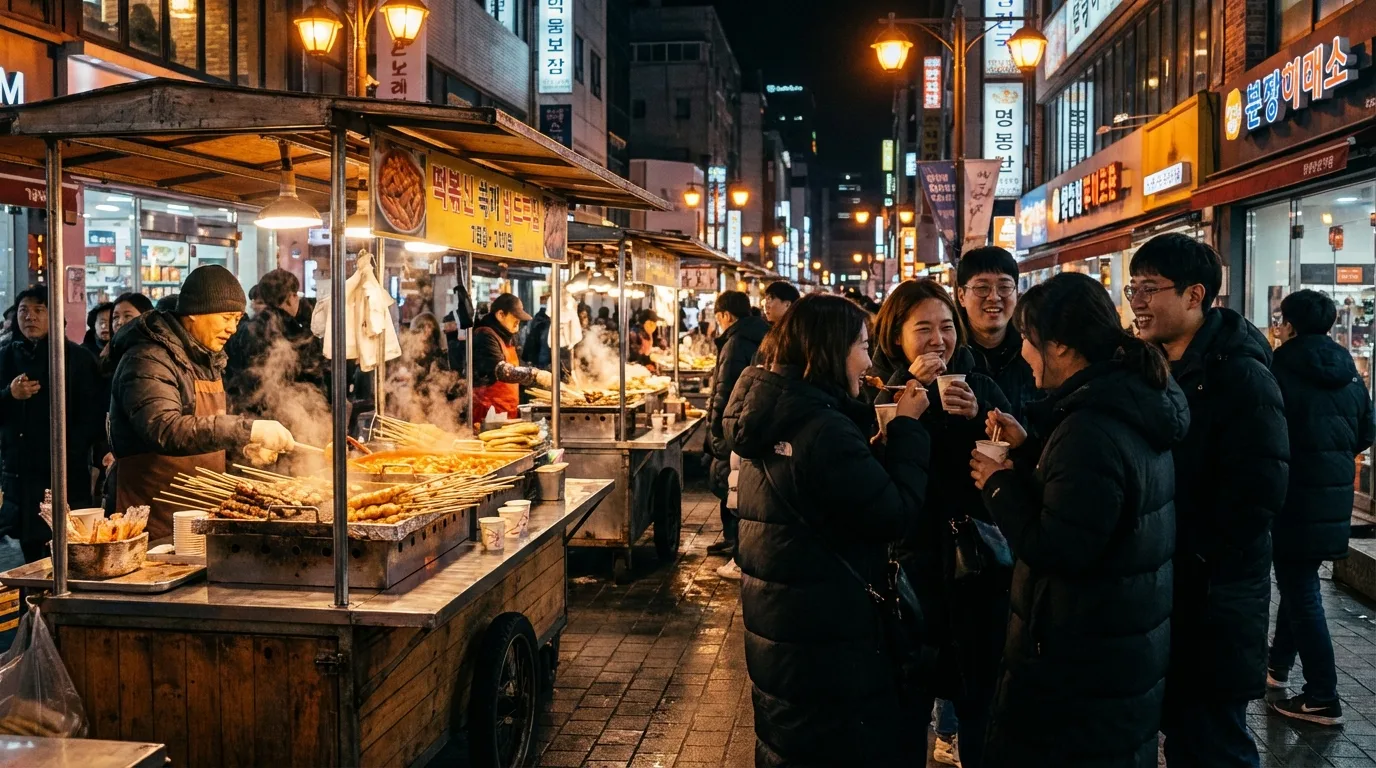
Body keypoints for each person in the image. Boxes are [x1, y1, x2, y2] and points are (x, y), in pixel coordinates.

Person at [970, 272, 1187, 765]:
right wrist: (1029, 451)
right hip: (1118, 645)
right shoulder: (1133, 400)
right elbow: (1087, 503)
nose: (1024, 354)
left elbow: (1058, 546)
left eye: (1029, 340)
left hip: (1078, 661)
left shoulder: (1089, 427)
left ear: (1061, 345)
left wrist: (998, 483)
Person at [724, 293, 931, 767]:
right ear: (828, 350)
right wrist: (906, 431)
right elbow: (894, 515)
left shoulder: (773, 412)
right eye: (861, 345)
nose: (867, 359)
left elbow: (826, 498)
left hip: (785, 631)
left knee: (791, 742)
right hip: (831, 637)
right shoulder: (822, 428)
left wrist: (870, 446)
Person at [1127, 233, 1288, 766]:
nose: (1138, 302)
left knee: (1213, 739)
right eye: (1134, 289)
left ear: (1195, 295)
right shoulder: (1154, 366)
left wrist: (1196, 555)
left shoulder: (1239, 375)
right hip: (1172, 586)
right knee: (1184, 730)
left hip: (1213, 595)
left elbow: (1258, 492)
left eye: (1150, 289)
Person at [865, 278, 1010, 768]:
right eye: (923, 328)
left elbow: (1005, 459)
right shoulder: (880, 389)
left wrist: (978, 419)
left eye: (947, 327)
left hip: (975, 566)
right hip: (906, 567)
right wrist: (905, 409)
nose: (938, 340)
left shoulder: (981, 382)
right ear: (895, 336)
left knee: (978, 700)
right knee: (905, 704)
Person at [107, 265, 296, 540]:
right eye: (226, 317)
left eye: (237, 318)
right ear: (195, 313)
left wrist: (243, 448)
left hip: (200, 511)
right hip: (153, 517)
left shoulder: (205, 356)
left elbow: (204, 430)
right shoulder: (148, 359)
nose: (233, 328)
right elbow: (164, 428)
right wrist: (247, 429)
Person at [1266, 289, 1374, 725]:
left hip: (1291, 497)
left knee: (1302, 589)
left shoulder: (1279, 370)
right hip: (1330, 500)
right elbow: (1365, 433)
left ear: (1289, 325)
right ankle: (1277, 670)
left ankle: (1322, 696)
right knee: (1301, 582)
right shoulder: (1350, 373)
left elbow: (1265, 434)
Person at [0, 287, 104, 562]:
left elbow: (94, 415)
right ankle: (32, 604)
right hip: (19, 476)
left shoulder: (77, 358)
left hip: (65, 473)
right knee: (30, 558)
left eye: (39, 310)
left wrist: (74, 448)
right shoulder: (4, 357)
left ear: (55, 316)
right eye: (24, 310)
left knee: (70, 553)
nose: (30, 317)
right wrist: (9, 395)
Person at [705, 290, 771, 580]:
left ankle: (739, 553)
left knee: (730, 487)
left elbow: (724, 391)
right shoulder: (761, 334)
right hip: (749, 421)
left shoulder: (734, 343)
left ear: (725, 316)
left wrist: (717, 430)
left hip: (733, 425)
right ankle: (735, 545)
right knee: (737, 488)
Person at [224, 269, 326, 419]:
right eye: (295, 294)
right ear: (289, 298)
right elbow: (312, 376)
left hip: (246, 415)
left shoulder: (245, 329)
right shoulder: (294, 332)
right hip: (286, 415)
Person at [956, 247, 1038, 423]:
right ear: (961, 296)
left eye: (1004, 287)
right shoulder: (950, 353)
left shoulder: (1035, 351)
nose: (994, 297)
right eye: (982, 288)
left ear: (1016, 293)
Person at [471, 293, 551, 420]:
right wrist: (535, 374)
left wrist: (544, 375)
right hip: (488, 414)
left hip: (507, 411)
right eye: (515, 319)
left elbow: (518, 365)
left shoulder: (507, 335)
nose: (517, 325)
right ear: (500, 314)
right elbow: (502, 370)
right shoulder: (484, 336)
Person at [522, 294, 552, 369]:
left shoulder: (537, 316)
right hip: (540, 360)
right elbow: (544, 346)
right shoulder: (544, 320)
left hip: (536, 357)